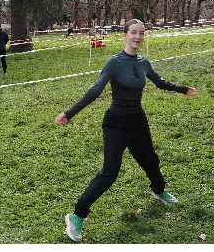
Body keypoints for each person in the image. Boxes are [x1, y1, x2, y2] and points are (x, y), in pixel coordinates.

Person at [57, 19, 197, 242]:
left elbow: (159, 82)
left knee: (150, 160)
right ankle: (76, 216)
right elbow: (95, 90)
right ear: (125, 35)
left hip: (137, 121)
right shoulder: (114, 62)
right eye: (133, 33)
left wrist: (183, 89)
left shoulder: (143, 62)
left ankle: (158, 191)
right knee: (109, 173)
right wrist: (69, 113)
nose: (138, 37)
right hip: (116, 123)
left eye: (141, 33)